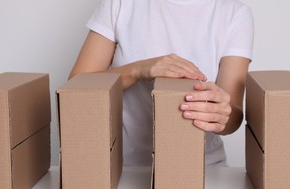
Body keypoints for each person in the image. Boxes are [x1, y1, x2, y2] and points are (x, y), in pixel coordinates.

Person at [69, 0, 254, 167]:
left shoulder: (234, 13)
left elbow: (234, 114)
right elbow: (76, 89)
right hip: (124, 169)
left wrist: (221, 114)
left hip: (202, 169)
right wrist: (137, 70)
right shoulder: (120, 4)